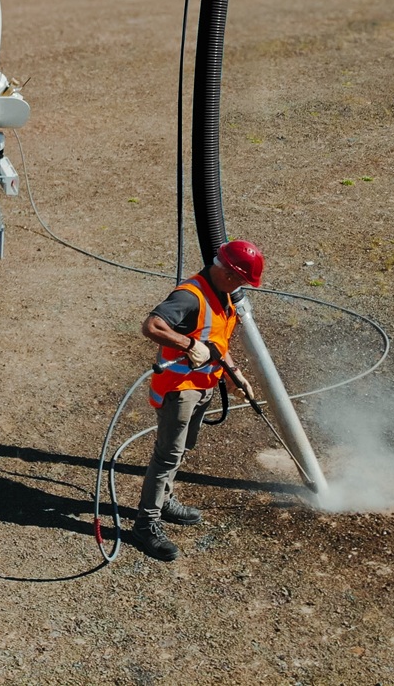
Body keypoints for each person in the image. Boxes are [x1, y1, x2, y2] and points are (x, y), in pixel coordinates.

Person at [129, 239, 263, 562]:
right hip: (180, 390)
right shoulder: (190, 297)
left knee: (181, 450)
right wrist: (187, 345)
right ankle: (145, 524)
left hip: (203, 386)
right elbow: (152, 325)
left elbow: (216, 340)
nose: (242, 287)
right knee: (167, 456)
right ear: (230, 275)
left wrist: (235, 374)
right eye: (243, 281)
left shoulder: (224, 296)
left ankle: (165, 501)